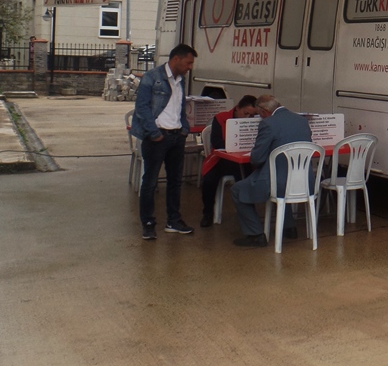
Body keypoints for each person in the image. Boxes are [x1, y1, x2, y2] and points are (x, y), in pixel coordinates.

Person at [130, 43, 199, 240]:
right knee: (150, 182)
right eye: (188, 62)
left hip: (177, 136)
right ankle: (148, 223)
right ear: (176, 59)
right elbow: (142, 108)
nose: (190, 67)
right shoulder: (152, 78)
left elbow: (179, 106)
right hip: (158, 137)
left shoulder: (180, 80)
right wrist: (154, 133)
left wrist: (184, 129)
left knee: (175, 181)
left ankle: (174, 221)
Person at [230, 95, 313, 247]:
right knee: (284, 180)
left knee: (237, 189)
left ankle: (255, 234)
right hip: (304, 182)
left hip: (278, 182)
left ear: (264, 110)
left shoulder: (268, 124)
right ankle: (290, 228)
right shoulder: (302, 121)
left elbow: (257, 159)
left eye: (258, 114)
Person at [198, 95, 259, 227]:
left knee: (245, 178)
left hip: (243, 160)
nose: (247, 118)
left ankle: (248, 214)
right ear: (237, 108)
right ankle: (207, 213)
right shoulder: (221, 118)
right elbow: (216, 142)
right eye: (246, 113)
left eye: (252, 115)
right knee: (209, 180)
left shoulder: (256, 123)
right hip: (221, 159)